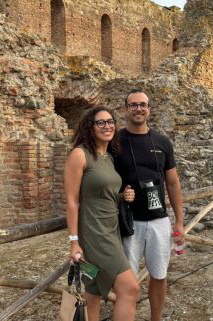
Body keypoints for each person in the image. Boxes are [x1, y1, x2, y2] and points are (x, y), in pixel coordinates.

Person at [114, 89, 185, 321]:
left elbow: (173, 183)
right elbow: (104, 179)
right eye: (133, 105)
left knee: (159, 275)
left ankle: (156, 318)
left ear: (149, 109)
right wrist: (120, 194)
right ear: (126, 109)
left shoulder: (163, 142)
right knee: (127, 280)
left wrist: (180, 222)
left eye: (143, 105)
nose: (138, 109)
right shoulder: (115, 141)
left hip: (158, 220)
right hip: (128, 222)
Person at [64, 106, 140, 321]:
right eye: (101, 122)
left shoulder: (107, 156)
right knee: (130, 289)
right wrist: (73, 241)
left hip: (111, 228)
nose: (107, 126)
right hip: (95, 233)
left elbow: (101, 193)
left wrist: (122, 196)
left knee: (93, 293)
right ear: (90, 126)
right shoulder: (80, 154)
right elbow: (71, 200)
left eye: (110, 121)